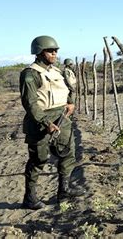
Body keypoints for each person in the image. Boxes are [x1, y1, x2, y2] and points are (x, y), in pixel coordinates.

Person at [19, 35, 84, 209]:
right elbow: (30, 103)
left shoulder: (57, 71)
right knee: (38, 160)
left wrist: (70, 103)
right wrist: (45, 123)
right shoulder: (30, 74)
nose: (54, 53)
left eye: (56, 50)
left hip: (62, 118)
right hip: (39, 121)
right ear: (39, 52)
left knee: (67, 155)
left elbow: (68, 89)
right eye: (50, 51)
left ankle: (64, 191)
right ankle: (30, 198)